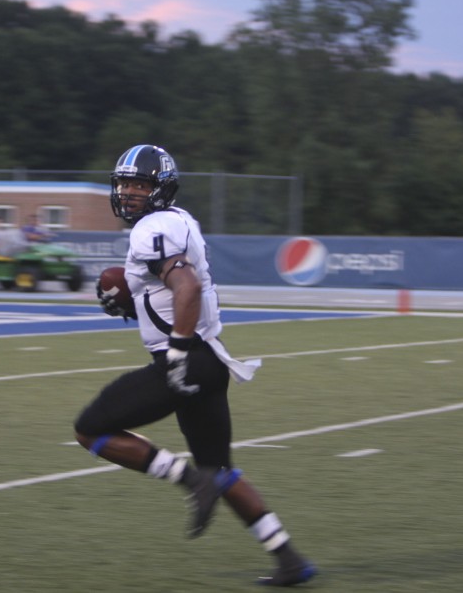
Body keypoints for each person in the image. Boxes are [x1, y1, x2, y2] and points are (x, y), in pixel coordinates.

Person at [74, 144, 317, 587]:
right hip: (210, 363)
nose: (128, 192)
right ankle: (289, 559)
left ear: (159, 188)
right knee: (221, 472)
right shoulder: (177, 221)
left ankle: (188, 479)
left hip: (186, 360)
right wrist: (129, 297)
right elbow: (170, 291)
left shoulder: (153, 227)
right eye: (125, 184)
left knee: (89, 430)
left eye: (139, 185)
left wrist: (177, 355)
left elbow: (185, 288)